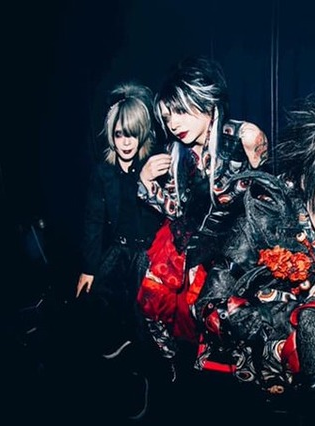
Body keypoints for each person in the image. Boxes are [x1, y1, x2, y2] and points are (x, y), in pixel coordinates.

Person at [191, 84, 315, 403]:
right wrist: (290, 319)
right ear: (308, 178)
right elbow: (209, 305)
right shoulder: (264, 216)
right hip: (252, 365)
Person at [136, 55, 268, 381]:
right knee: (154, 304)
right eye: (167, 117)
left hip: (237, 253)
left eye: (180, 112)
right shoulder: (176, 153)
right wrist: (147, 184)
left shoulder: (245, 138)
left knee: (227, 335)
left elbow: (266, 201)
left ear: (207, 102)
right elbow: (178, 213)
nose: (173, 124)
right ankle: (171, 372)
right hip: (192, 250)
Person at [74, 81, 165, 420]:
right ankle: (120, 377)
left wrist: (145, 181)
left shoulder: (157, 165)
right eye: (119, 135)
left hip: (149, 259)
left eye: (132, 134)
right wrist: (88, 268)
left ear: (143, 134)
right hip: (117, 256)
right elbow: (94, 221)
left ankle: (147, 381)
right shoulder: (103, 172)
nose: (126, 142)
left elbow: (159, 217)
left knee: (146, 329)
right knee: (102, 317)